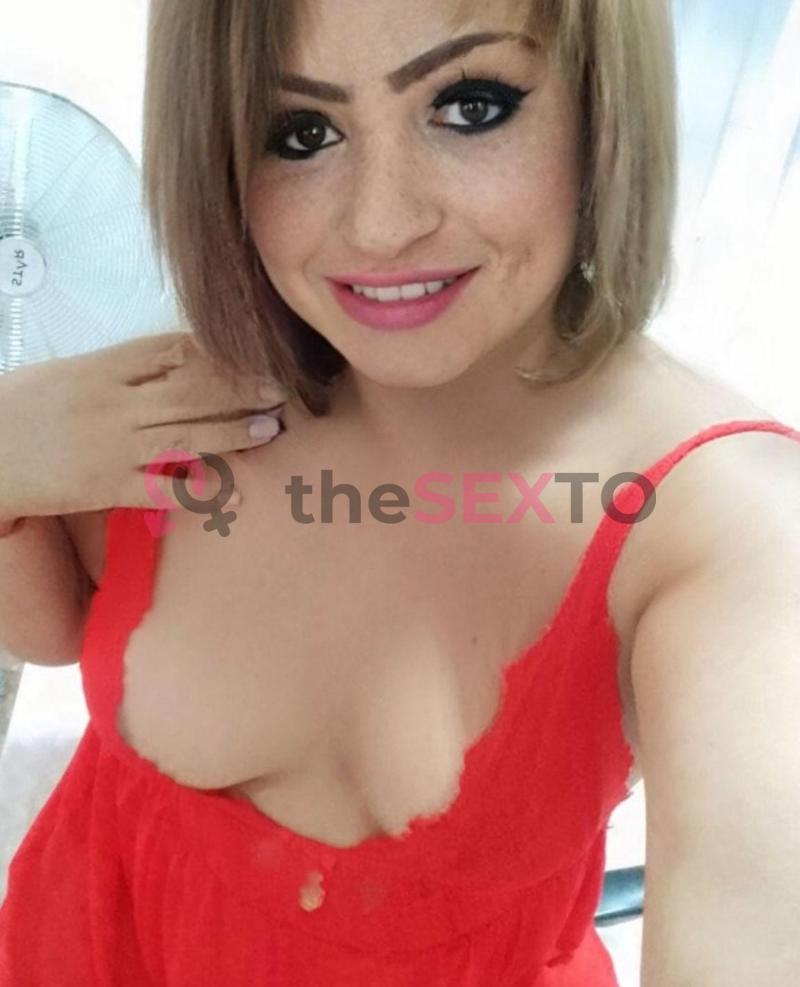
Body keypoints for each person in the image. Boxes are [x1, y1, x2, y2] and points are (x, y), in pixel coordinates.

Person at [1, 0, 799, 983]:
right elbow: (51, 627)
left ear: (602, 102)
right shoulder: (176, 397)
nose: (380, 225)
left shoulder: (732, 529)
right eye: (301, 133)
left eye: (471, 106)